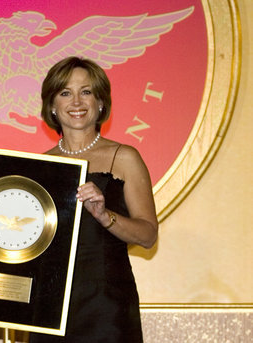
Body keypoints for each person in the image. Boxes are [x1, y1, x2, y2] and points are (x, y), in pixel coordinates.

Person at [29, 57, 158, 342]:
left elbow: (148, 236)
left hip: (107, 306)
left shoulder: (124, 157)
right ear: (52, 105)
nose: (76, 101)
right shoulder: (37, 166)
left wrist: (104, 215)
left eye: (86, 91)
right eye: (65, 93)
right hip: (48, 308)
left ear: (100, 103)